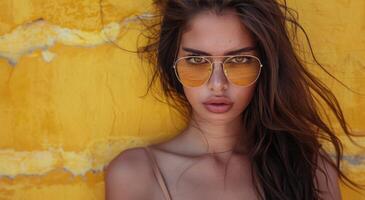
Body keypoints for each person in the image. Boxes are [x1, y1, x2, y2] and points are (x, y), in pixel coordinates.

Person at [104, 0, 364, 199]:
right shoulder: (135, 173)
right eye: (196, 60)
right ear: (173, 62)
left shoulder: (310, 170)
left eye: (239, 60)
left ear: (264, 65)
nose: (218, 84)